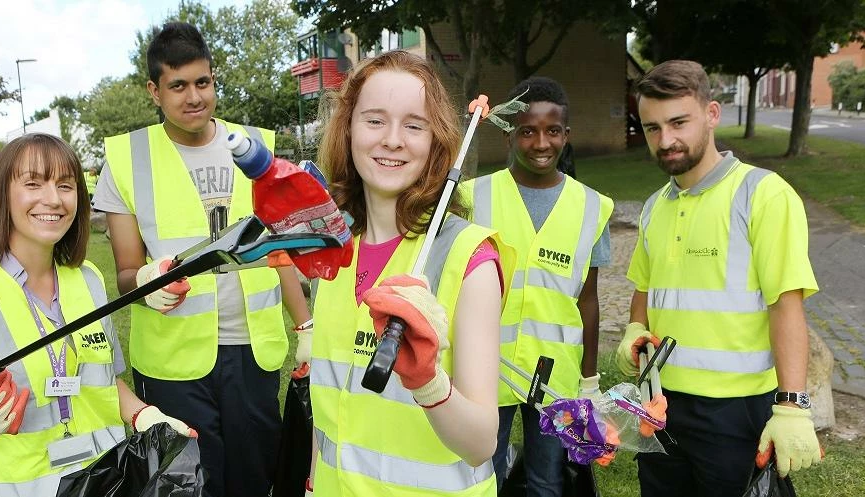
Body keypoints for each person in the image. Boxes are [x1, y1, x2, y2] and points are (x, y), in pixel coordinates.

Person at [91, 21, 312, 497]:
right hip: (173, 362)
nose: (193, 97)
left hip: (252, 353)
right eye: (178, 86)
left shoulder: (257, 147)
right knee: (190, 483)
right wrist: (149, 282)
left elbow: (281, 251)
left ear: (214, 81)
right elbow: (127, 275)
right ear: (154, 90)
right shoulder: (127, 159)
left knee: (255, 478)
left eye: (202, 83)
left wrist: (305, 326)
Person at [0, 133, 194, 497]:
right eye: (33, 183)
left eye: (65, 185)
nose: (53, 199)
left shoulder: (88, 280)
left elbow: (103, 382)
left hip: (105, 481)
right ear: (3, 194)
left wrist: (145, 416)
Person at [306, 50, 514, 497]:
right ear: (347, 129)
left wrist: (427, 381)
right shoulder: (335, 248)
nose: (393, 140)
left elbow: (481, 444)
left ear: (436, 141)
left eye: (414, 125)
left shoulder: (468, 258)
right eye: (375, 120)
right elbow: (328, 408)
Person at [618, 60, 822, 497]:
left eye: (678, 122)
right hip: (661, 404)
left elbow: (785, 305)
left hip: (735, 411)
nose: (665, 140)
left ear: (712, 115)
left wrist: (792, 407)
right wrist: (635, 328)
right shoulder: (655, 205)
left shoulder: (762, 194)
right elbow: (645, 289)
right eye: (652, 128)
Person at [461, 77, 613, 496]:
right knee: (479, 473)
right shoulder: (474, 198)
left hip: (556, 376)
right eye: (527, 130)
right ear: (511, 134)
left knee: (548, 480)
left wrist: (589, 380)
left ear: (567, 135)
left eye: (552, 131)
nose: (541, 142)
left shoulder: (593, 207)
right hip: (486, 367)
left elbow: (589, 300)